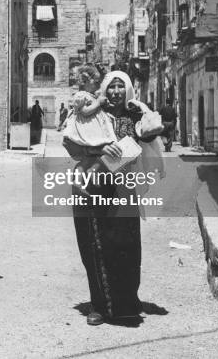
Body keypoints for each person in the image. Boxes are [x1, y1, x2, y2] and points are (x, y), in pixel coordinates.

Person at [71, 70, 163, 326]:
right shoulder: (90, 113)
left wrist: (146, 117)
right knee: (94, 245)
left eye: (121, 87)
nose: (115, 92)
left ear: (128, 90)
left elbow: (151, 133)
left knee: (126, 244)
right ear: (103, 89)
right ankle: (99, 305)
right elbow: (71, 144)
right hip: (91, 185)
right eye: (111, 87)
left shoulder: (135, 115)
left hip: (123, 187)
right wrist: (99, 148)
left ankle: (126, 302)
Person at [62, 65, 117, 179]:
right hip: (86, 129)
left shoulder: (91, 95)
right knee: (90, 155)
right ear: (85, 82)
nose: (98, 85)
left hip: (94, 128)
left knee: (99, 155)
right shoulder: (80, 95)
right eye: (96, 83)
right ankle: (79, 176)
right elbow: (84, 112)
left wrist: (103, 103)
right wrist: (98, 103)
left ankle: (92, 172)